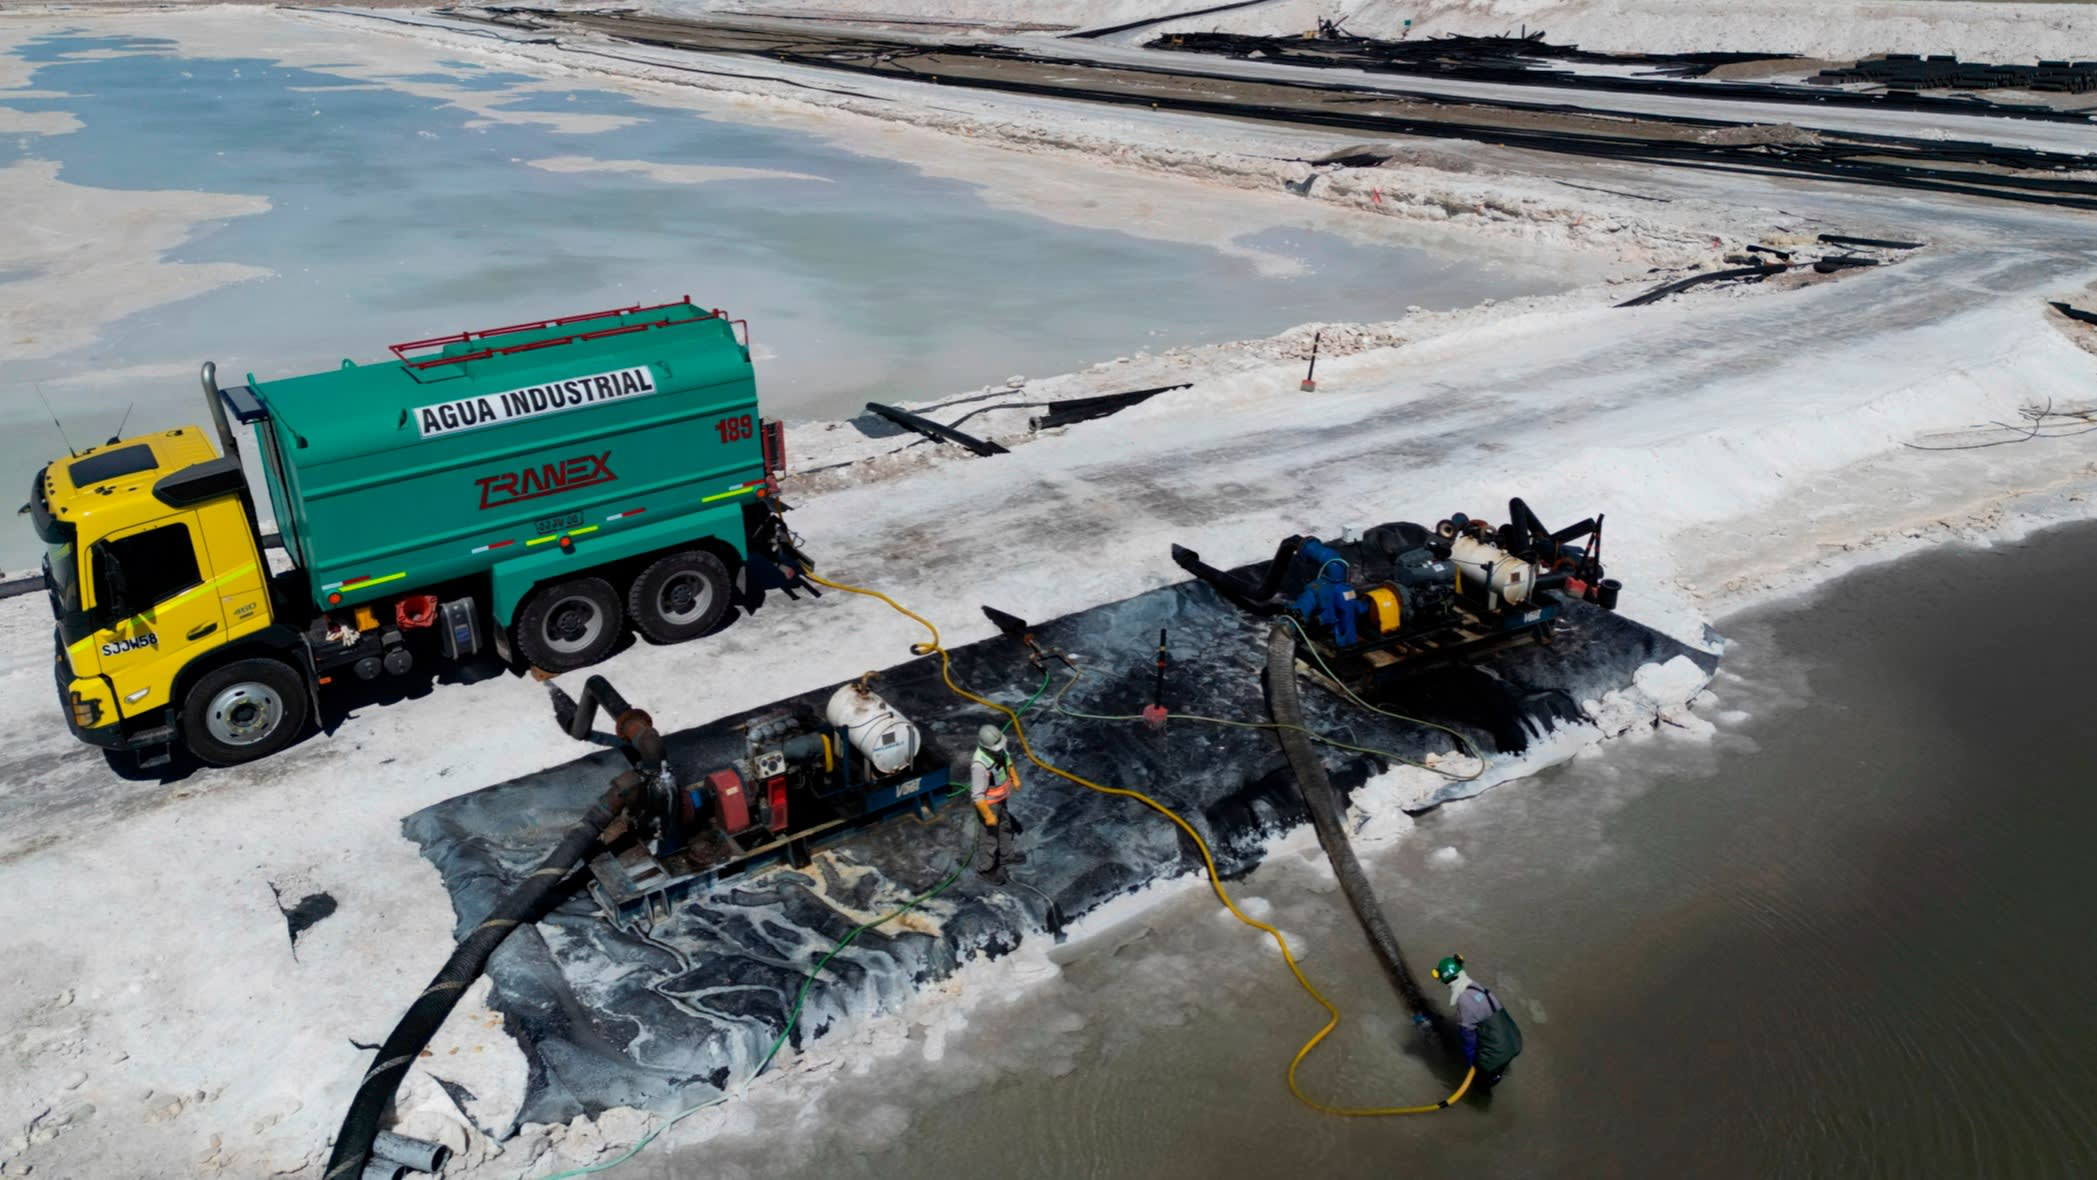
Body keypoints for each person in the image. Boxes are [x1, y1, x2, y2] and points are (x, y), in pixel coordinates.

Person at [1432, 953, 1523, 1086]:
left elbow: (1468, 1037)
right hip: (1515, 1042)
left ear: (1446, 979)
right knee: (1496, 1069)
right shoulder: (1477, 987)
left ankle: (1483, 1092)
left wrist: (1472, 1063)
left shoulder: (1463, 999)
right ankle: (1495, 1075)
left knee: (1481, 1082)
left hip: (1496, 1055)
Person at [970, 724, 1026, 881]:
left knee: (1005, 827)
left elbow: (1008, 763)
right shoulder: (979, 765)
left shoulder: (999, 751)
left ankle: (1006, 855)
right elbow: (977, 795)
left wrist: (1015, 778)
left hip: (1001, 801)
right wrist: (987, 815)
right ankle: (985, 870)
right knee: (989, 838)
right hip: (989, 805)